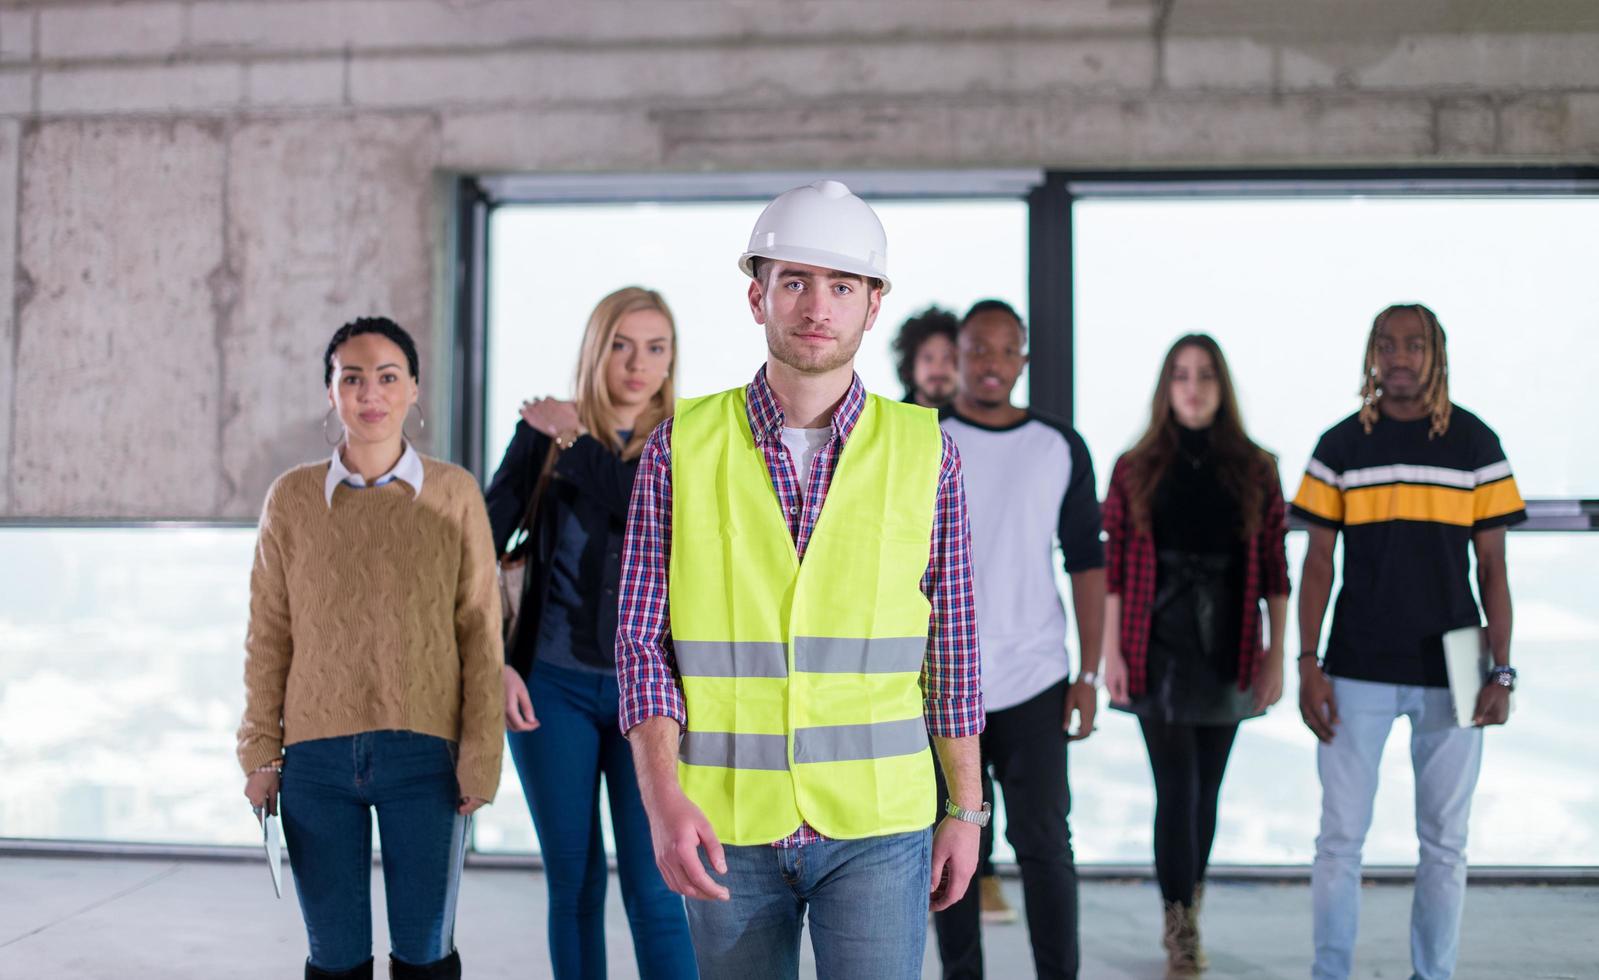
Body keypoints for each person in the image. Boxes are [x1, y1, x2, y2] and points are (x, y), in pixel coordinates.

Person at [615, 179, 987, 980]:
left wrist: (965, 809)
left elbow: (952, 652)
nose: (818, 305)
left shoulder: (928, 454)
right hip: (726, 821)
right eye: (795, 282)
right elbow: (642, 647)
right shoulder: (679, 448)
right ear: (758, 297)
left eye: (841, 285)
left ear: (872, 303)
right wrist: (661, 800)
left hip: (879, 826)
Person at [238, 316, 502, 980]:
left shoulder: (454, 493)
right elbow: (268, 633)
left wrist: (481, 757)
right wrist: (259, 752)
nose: (370, 393)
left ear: (413, 390)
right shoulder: (292, 499)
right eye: (351, 378)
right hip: (314, 762)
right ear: (331, 393)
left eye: (387, 377)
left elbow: (479, 630)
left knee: (424, 953)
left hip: (427, 756)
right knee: (334, 958)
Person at [1292, 304, 1525, 980]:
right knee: (1338, 842)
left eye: (1414, 344)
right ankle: (1328, 972)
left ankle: (1433, 975)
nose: (1399, 356)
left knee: (1445, 845)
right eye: (1386, 345)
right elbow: (1314, 567)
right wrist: (1307, 666)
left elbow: (1493, 570)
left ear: (1436, 354)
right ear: (1370, 355)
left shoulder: (1475, 445)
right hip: (1355, 664)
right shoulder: (1339, 446)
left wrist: (1501, 673)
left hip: (1454, 665)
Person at [484, 288, 697, 979]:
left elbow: (639, 501)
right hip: (552, 689)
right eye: (621, 345)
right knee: (573, 886)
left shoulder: (687, 445)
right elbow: (475, 544)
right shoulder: (542, 439)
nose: (639, 363)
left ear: (672, 360)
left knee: (660, 886)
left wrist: (570, 436)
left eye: (656, 347)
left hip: (654, 701)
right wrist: (494, 661)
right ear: (595, 350)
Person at [1100, 334, 1290, 978]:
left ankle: (1190, 906)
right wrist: (1109, 657)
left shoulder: (1257, 466)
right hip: (1153, 641)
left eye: (1205, 374)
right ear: (1165, 386)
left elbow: (1274, 570)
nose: (1193, 386)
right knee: (1175, 789)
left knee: (1207, 793)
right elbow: (1115, 569)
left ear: (1221, 385)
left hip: (1230, 641)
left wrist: (1275, 656)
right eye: (1181, 374)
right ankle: (1180, 925)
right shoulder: (1135, 465)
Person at [933, 299, 1106, 980]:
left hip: (1034, 676)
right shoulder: (925, 437)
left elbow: (1085, 563)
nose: (992, 364)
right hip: (942, 682)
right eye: (979, 349)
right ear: (957, 356)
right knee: (951, 843)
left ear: (1023, 359)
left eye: (1006, 350)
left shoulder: (1057, 444)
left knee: (1043, 846)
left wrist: (1088, 676)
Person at [893, 302, 1014, 924]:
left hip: (980, 637)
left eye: (950, 358)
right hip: (898, 651)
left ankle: (980, 870)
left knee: (970, 780)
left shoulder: (963, 444)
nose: (941, 369)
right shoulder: (889, 440)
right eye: (931, 358)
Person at [892, 304, 960, 409]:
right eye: (928, 358)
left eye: (947, 357)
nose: (938, 367)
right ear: (911, 364)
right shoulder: (891, 420)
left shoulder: (984, 419)